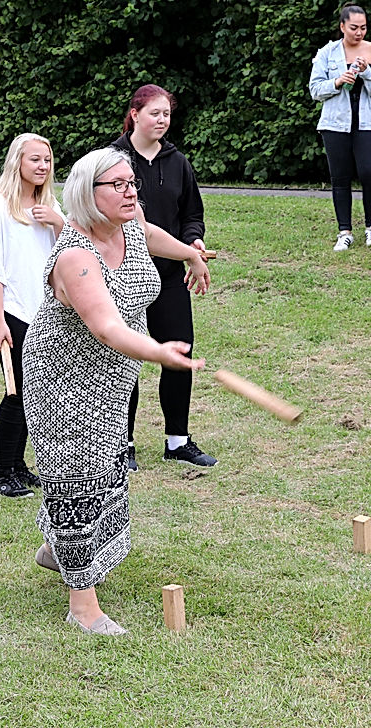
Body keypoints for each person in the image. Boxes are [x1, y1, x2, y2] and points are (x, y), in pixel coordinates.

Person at [22, 146, 209, 636]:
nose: (132, 192)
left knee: (106, 469)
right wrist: (159, 352)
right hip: (64, 375)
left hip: (113, 375)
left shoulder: (127, 225)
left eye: (133, 183)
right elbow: (105, 326)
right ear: (89, 194)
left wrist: (189, 251)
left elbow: (148, 235)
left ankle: (58, 550)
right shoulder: (75, 256)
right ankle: (82, 607)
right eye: (120, 185)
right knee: (77, 478)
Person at [110, 85, 217, 471]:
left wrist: (195, 244)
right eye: (154, 113)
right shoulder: (113, 161)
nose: (162, 120)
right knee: (126, 360)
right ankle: (123, 445)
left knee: (179, 353)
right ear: (135, 114)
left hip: (169, 276)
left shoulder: (178, 162)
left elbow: (191, 214)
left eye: (167, 114)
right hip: (123, 276)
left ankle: (178, 441)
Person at [0, 133, 64, 498]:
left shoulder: (49, 205)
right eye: (34, 160)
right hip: (9, 312)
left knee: (34, 393)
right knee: (17, 393)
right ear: (18, 163)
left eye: (46, 160)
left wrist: (57, 222)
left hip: (42, 311)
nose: (42, 166)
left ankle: (18, 465)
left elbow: (69, 253)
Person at [308, 3, 371, 251]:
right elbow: (315, 90)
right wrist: (336, 82)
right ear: (342, 26)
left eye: (364, 27)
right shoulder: (328, 52)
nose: (359, 33)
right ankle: (344, 231)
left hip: (368, 123)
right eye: (354, 27)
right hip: (335, 124)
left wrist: (367, 73)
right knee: (340, 177)